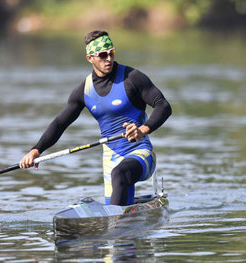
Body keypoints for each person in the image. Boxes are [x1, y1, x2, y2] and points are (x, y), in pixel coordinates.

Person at [20, 30, 171, 206]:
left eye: (111, 53)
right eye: (102, 55)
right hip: (111, 158)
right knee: (118, 184)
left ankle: (118, 225)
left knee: (120, 174)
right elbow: (60, 123)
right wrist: (36, 150)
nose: (109, 59)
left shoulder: (132, 78)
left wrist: (142, 129)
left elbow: (163, 105)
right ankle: (124, 225)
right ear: (90, 58)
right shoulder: (84, 90)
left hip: (141, 153)